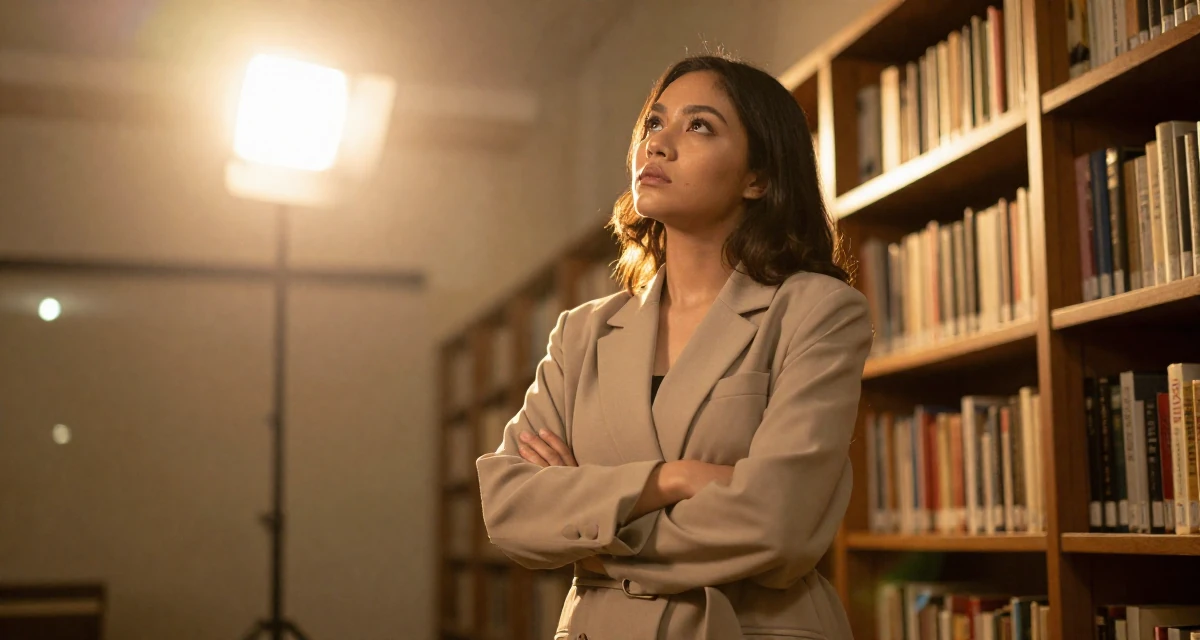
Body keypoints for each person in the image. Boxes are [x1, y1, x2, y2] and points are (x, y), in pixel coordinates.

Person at [476, 53, 871, 640]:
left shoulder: (815, 310)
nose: (656, 145)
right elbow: (509, 508)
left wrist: (588, 531)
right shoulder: (580, 333)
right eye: (654, 124)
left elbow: (777, 522)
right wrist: (674, 479)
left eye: (700, 126)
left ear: (758, 177)